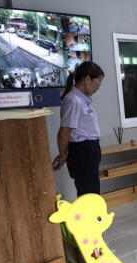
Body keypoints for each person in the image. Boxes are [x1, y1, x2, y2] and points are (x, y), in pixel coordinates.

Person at [52, 61, 105, 196]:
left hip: (88, 150)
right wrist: (63, 155)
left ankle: (91, 216)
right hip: (83, 151)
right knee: (89, 194)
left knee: (91, 191)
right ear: (87, 79)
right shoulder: (73, 100)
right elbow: (64, 133)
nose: (99, 87)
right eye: (98, 82)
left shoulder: (80, 100)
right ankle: (89, 217)